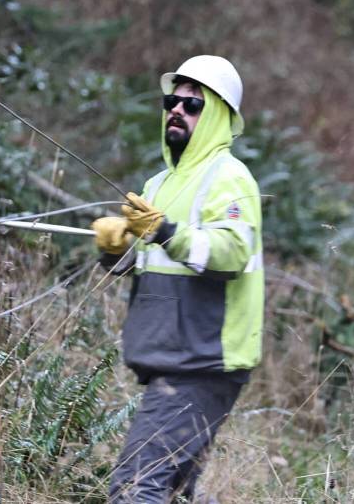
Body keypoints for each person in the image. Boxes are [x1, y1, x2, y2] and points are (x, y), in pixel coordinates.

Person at [92, 55, 264, 503]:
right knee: (171, 490)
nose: (177, 110)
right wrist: (113, 251)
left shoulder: (231, 180)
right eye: (173, 100)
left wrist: (165, 232)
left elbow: (230, 253)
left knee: (135, 488)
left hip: (202, 364)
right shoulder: (157, 184)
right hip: (170, 358)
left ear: (219, 116)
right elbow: (144, 262)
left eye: (193, 104)